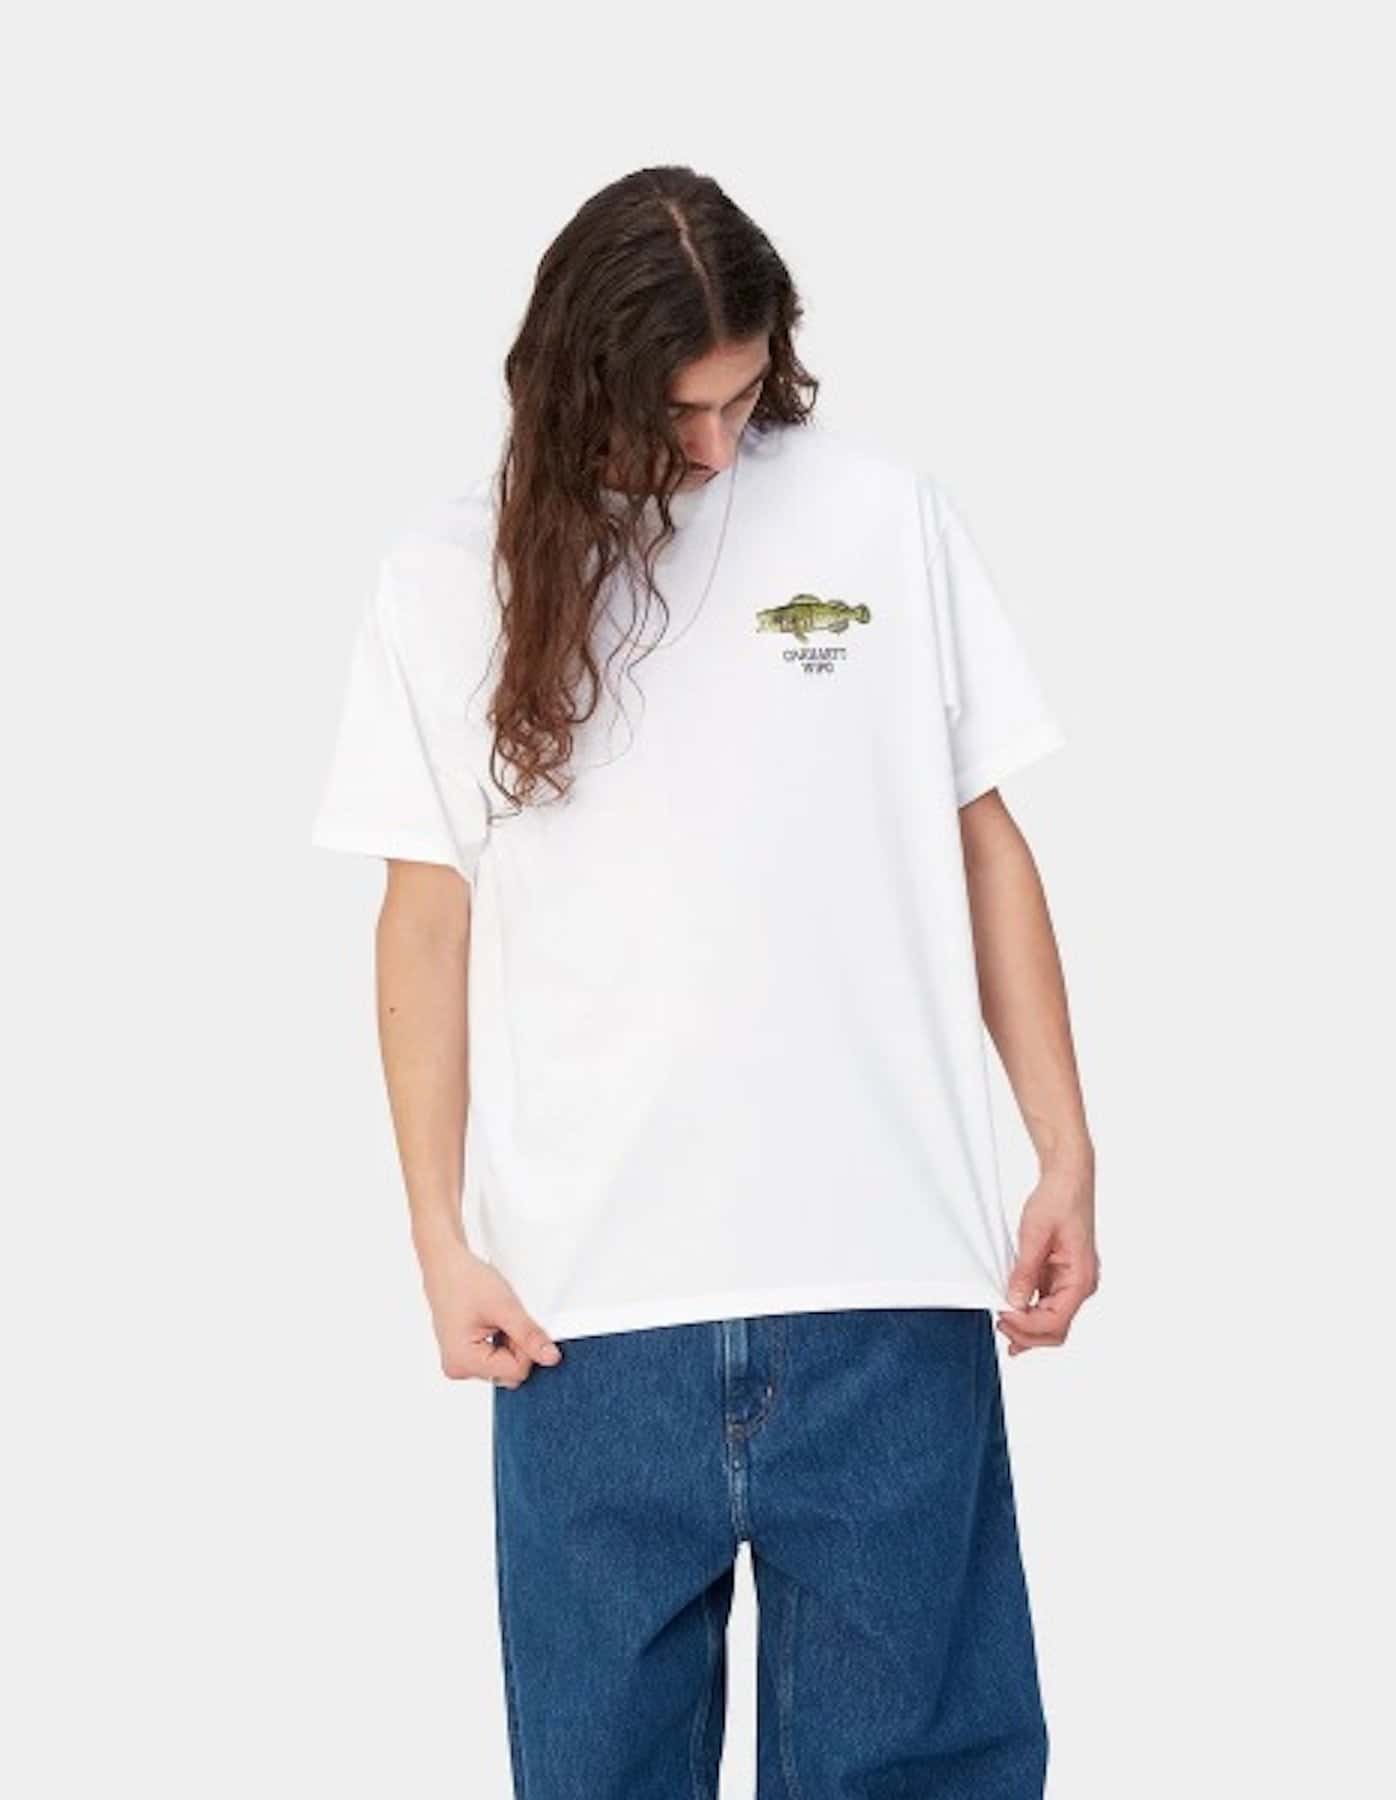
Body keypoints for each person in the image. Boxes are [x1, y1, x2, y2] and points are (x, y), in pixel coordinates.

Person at [311, 164, 1098, 1798]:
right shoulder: (446, 578)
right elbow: (424, 922)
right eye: (679, 413)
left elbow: (983, 842)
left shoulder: (881, 516)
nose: (719, 451)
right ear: (579, 380)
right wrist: (436, 1235)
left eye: (743, 400)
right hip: (586, 1323)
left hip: (884, 1282)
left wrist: (1064, 1146)